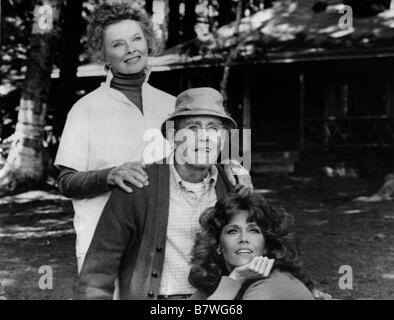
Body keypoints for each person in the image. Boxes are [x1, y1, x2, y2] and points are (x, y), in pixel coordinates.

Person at [54, 2, 251, 273]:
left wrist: (232, 170)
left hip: (164, 250)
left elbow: (202, 158)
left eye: (137, 39)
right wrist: (110, 175)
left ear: (148, 41)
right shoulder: (85, 109)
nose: (131, 49)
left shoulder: (173, 106)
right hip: (104, 248)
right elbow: (65, 182)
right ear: (103, 55)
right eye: (118, 44)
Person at [77, 87, 251, 300]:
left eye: (213, 128)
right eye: (193, 128)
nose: (205, 138)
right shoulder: (139, 184)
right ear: (171, 135)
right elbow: (98, 269)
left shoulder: (233, 186)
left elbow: (254, 253)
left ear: (223, 139)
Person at [188, 192, 315, 300]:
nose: (243, 239)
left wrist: (235, 280)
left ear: (266, 245)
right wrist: (235, 279)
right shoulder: (222, 280)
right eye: (233, 231)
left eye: (253, 231)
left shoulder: (272, 285)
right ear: (218, 245)